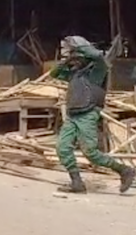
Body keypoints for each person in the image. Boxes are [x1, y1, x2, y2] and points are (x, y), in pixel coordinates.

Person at [52, 35, 135, 194]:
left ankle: (124, 170)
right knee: (62, 148)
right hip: (73, 115)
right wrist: (67, 61)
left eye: (76, 57)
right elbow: (54, 74)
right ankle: (77, 183)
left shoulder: (97, 71)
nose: (74, 59)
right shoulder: (74, 74)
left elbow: (97, 56)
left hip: (87, 114)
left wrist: (79, 48)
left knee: (91, 153)